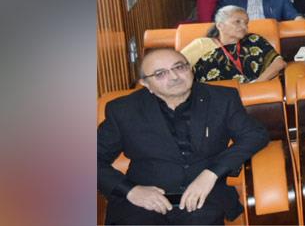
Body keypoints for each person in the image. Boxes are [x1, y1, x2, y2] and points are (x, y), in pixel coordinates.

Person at [98, 48, 268, 224]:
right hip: (143, 203)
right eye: (160, 73)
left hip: (204, 200)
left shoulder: (221, 98)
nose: (174, 77)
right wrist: (131, 190)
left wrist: (211, 174)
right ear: (145, 83)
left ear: (190, 69)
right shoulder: (124, 110)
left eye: (179, 67)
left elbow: (255, 134)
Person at [185, 6, 285, 84]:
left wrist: (256, 85)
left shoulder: (253, 39)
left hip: (256, 91)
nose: (244, 26)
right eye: (237, 22)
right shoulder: (201, 44)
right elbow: (176, 67)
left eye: (246, 23)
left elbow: (279, 63)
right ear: (220, 25)